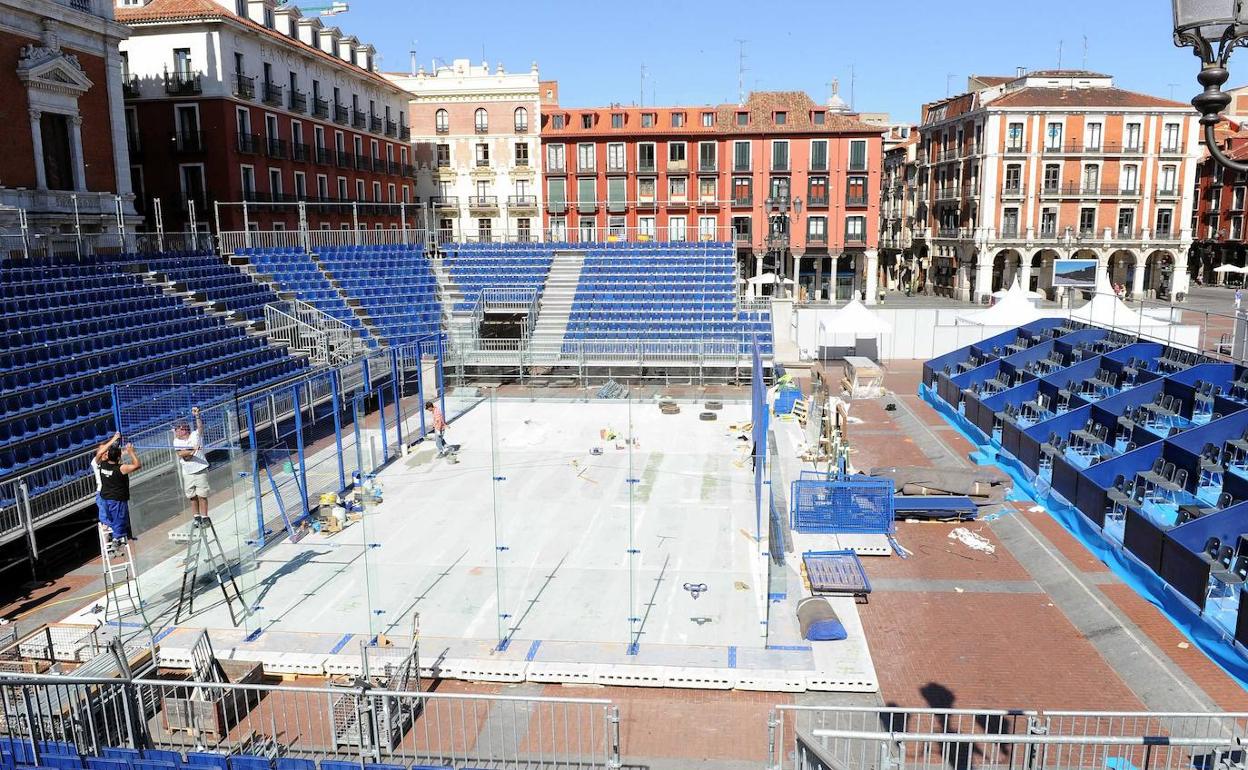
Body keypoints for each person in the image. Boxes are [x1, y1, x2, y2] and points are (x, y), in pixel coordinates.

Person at [94, 433, 140, 543]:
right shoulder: (121, 468)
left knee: (108, 518)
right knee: (119, 519)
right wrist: (131, 452)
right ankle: (116, 540)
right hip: (116, 499)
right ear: (118, 458)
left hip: (105, 497)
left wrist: (115, 441)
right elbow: (137, 465)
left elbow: (101, 453)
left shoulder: (102, 464)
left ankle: (114, 536)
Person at [173, 406, 211, 519]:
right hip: (188, 472)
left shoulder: (195, 435)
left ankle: (204, 517)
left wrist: (197, 416)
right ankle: (196, 516)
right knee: (192, 496)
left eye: (176, 429)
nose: (175, 431)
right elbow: (181, 454)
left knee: (202, 495)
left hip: (200, 470)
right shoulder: (176, 441)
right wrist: (193, 450)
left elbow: (200, 427)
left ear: (183, 429)